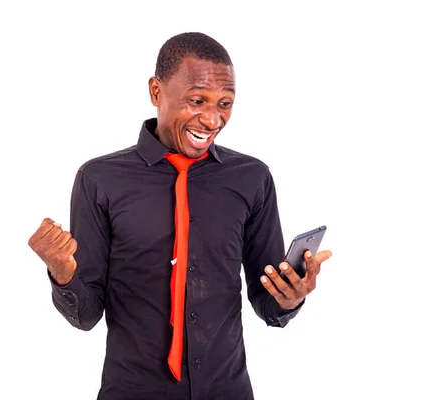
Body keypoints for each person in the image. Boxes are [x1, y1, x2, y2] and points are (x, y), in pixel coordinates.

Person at [28, 32, 332, 400]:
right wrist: (62, 272)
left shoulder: (252, 178)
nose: (212, 119)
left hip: (228, 391)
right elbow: (86, 315)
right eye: (197, 100)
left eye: (225, 103)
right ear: (157, 92)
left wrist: (290, 296)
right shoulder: (100, 180)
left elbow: (269, 305)